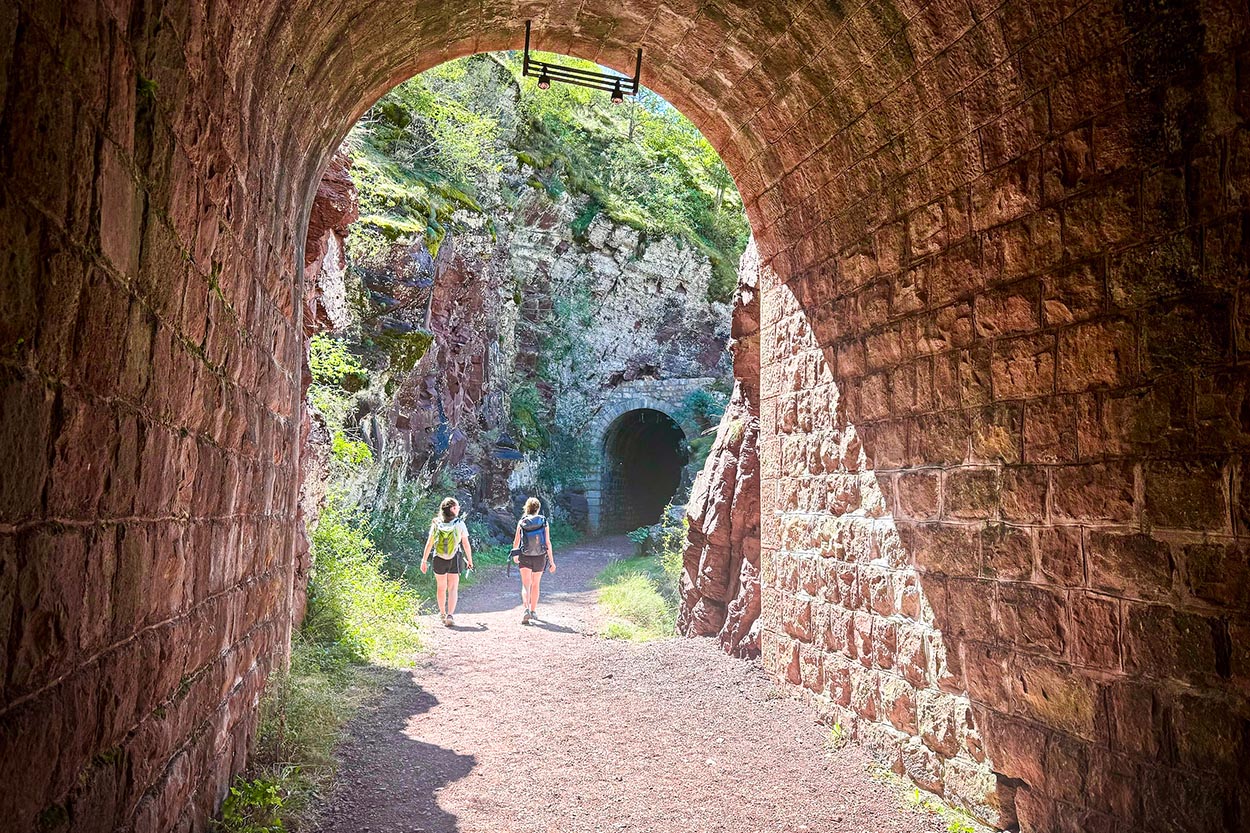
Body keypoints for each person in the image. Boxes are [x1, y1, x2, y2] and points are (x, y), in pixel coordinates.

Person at [421, 497, 473, 627]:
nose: (459, 509)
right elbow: (466, 544)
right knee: (453, 587)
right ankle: (450, 615)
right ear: (452, 509)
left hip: (438, 558)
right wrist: (470, 560)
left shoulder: (436, 523)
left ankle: (442, 614)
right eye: (457, 507)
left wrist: (424, 560)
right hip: (454, 558)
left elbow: (429, 543)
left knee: (441, 587)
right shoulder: (460, 524)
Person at [512, 497, 555, 624]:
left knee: (526, 584)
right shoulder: (543, 521)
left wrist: (515, 555)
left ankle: (526, 609)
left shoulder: (522, 521)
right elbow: (547, 542)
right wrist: (551, 562)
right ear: (538, 508)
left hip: (525, 555)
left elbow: (516, 541)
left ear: (527, 507)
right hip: (540, 556)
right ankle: (533, 610)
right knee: (536, 584)